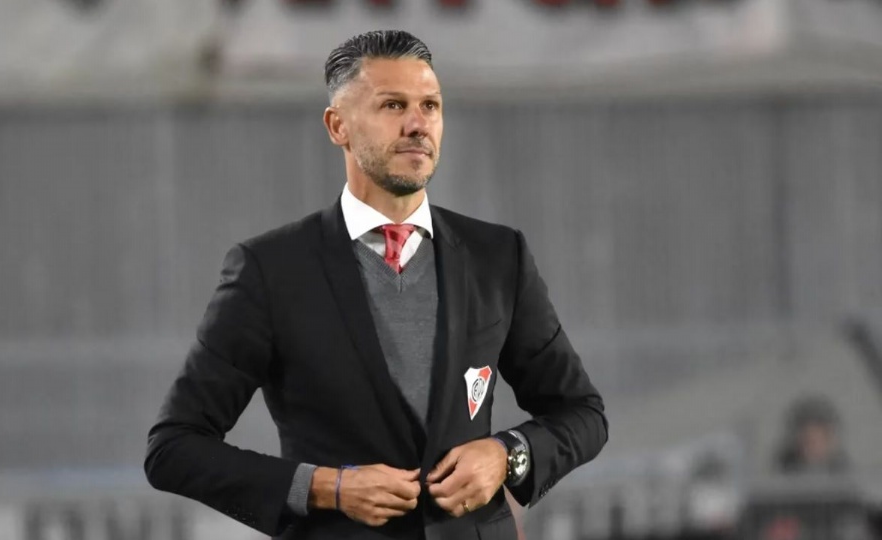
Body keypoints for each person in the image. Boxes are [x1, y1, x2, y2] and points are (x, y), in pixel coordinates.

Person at [144, 30, 608, 540]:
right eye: (393, 105)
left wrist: (507, 453)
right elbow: (174, 447)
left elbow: (582, 414)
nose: (417, 124)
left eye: (430, 105)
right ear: (337, 126)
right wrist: (327, 487)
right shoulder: (269, 270)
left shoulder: (498, 257)